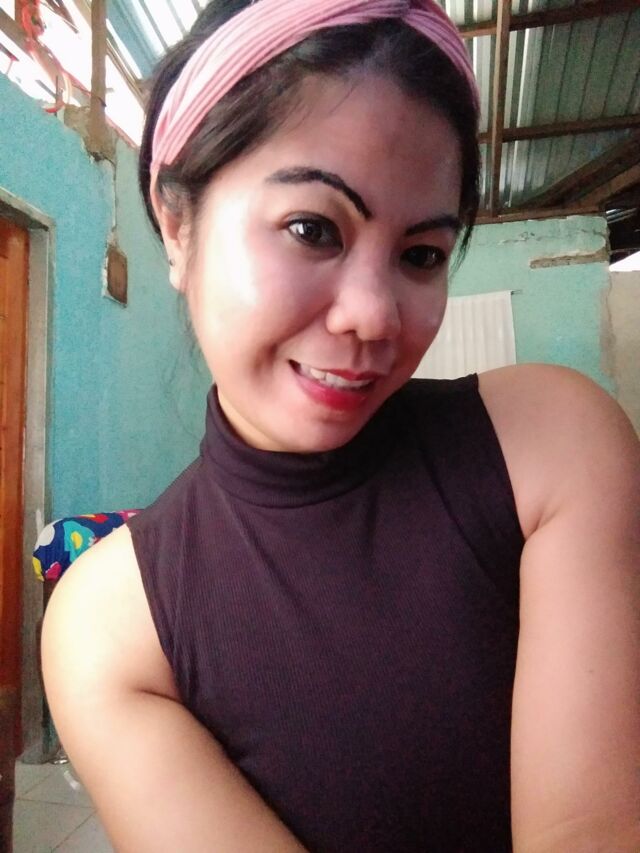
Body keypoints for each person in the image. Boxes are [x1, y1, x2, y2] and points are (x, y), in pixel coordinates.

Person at [42, 1, 640, 850]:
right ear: (177, 225)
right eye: (312, 228)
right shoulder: (111, 625)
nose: (374, 315)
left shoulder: (551, 446)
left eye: (421, 254)